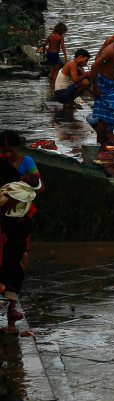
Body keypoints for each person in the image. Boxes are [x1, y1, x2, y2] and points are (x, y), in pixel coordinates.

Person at [0, 131, 40, 325]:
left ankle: (12, 306)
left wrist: (22, 188)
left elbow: (40, 187)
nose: (7, 155)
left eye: (11, 151)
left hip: (21, 220)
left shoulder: (27, 163)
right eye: (3, 151)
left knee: (20, 259)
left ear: (18, 148)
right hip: (2, 219)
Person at [50, 47, 91, 113]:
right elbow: (75, 80)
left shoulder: (74, 64)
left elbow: (85, 74)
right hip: (61, 94)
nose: (86, 63)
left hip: (61, 93)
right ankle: (68, 103)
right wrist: (85, 75)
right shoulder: (72, 64)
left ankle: (69, 102)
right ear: (80, 57)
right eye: (86, 60)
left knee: (85, 80)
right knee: (85, 82)